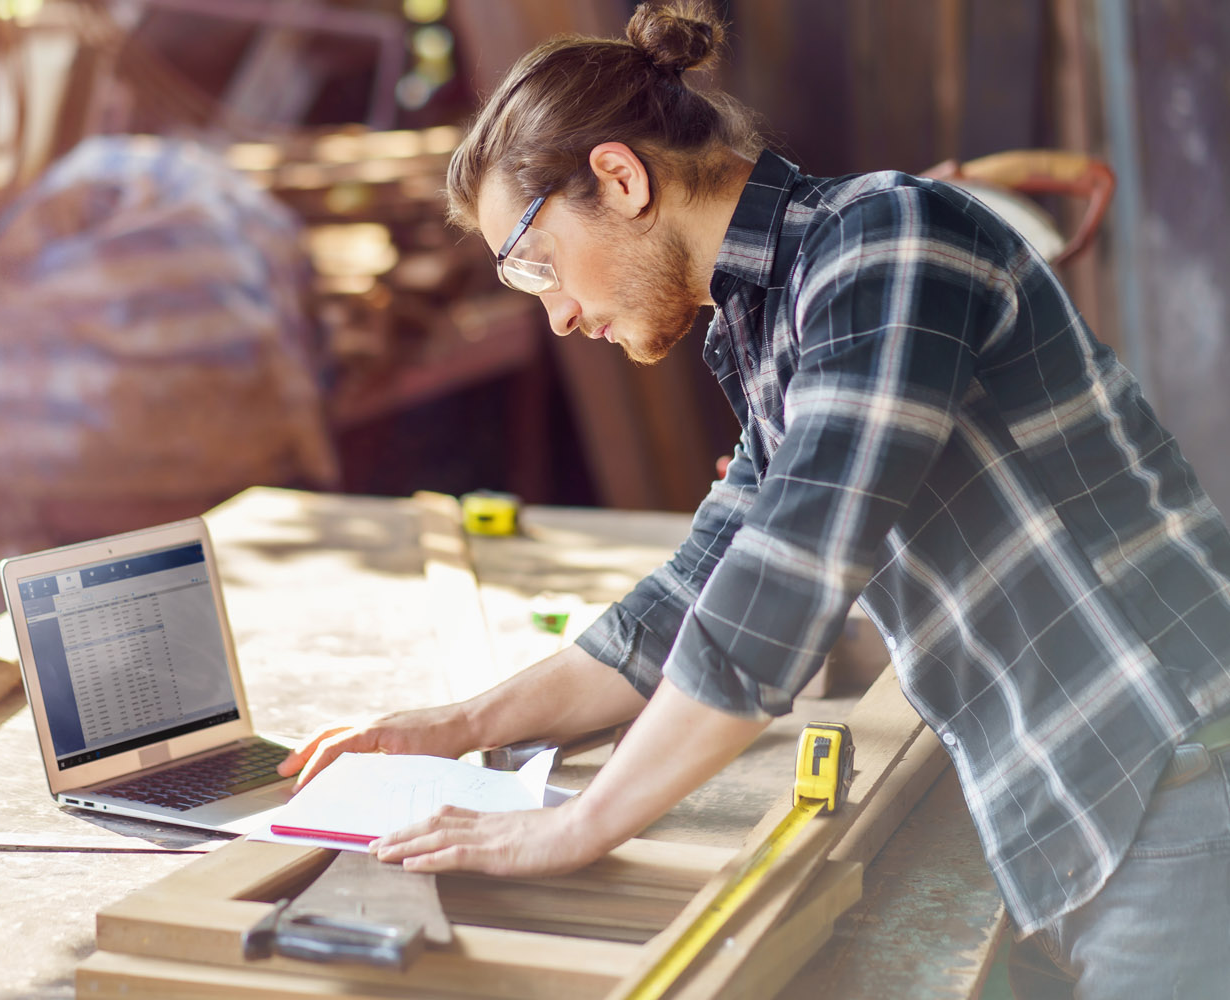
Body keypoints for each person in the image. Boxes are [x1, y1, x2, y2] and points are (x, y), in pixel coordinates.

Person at [277, 3, 1230, 995]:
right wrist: (465, 725)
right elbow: (697, 593)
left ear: (620, 176)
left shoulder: (887, 241)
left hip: (1182, 787)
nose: (556, 314)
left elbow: (789, 579)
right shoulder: (774, 322)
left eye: (538, 264)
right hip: (1097, 813)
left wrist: (579, 823)